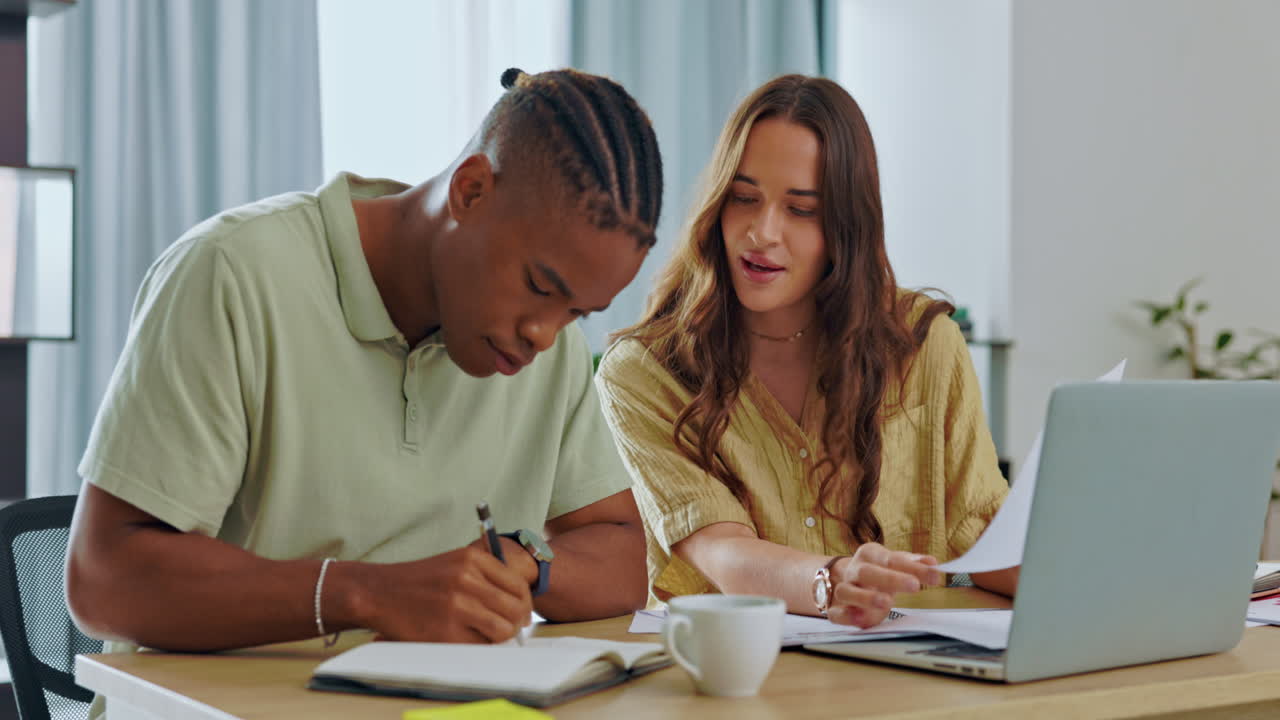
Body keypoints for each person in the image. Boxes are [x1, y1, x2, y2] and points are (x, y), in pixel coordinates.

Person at [66, 68, 664, 660]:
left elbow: (618, 553)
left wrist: (521, 564)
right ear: (472, 190)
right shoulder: (231, 273)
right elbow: (103, 577)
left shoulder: (541, 347)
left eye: (577, 313)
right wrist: (366, 593)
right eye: (538, 285)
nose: (544, 334)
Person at [595, 75, 1017, 630]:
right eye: (743, 199)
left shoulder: (922, 343)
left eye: (801, 210)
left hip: (909, 684)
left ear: (847, 227)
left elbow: (985, 535)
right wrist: (832, 581)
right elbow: (720, 551)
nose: (762, 232)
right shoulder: (645, 371)